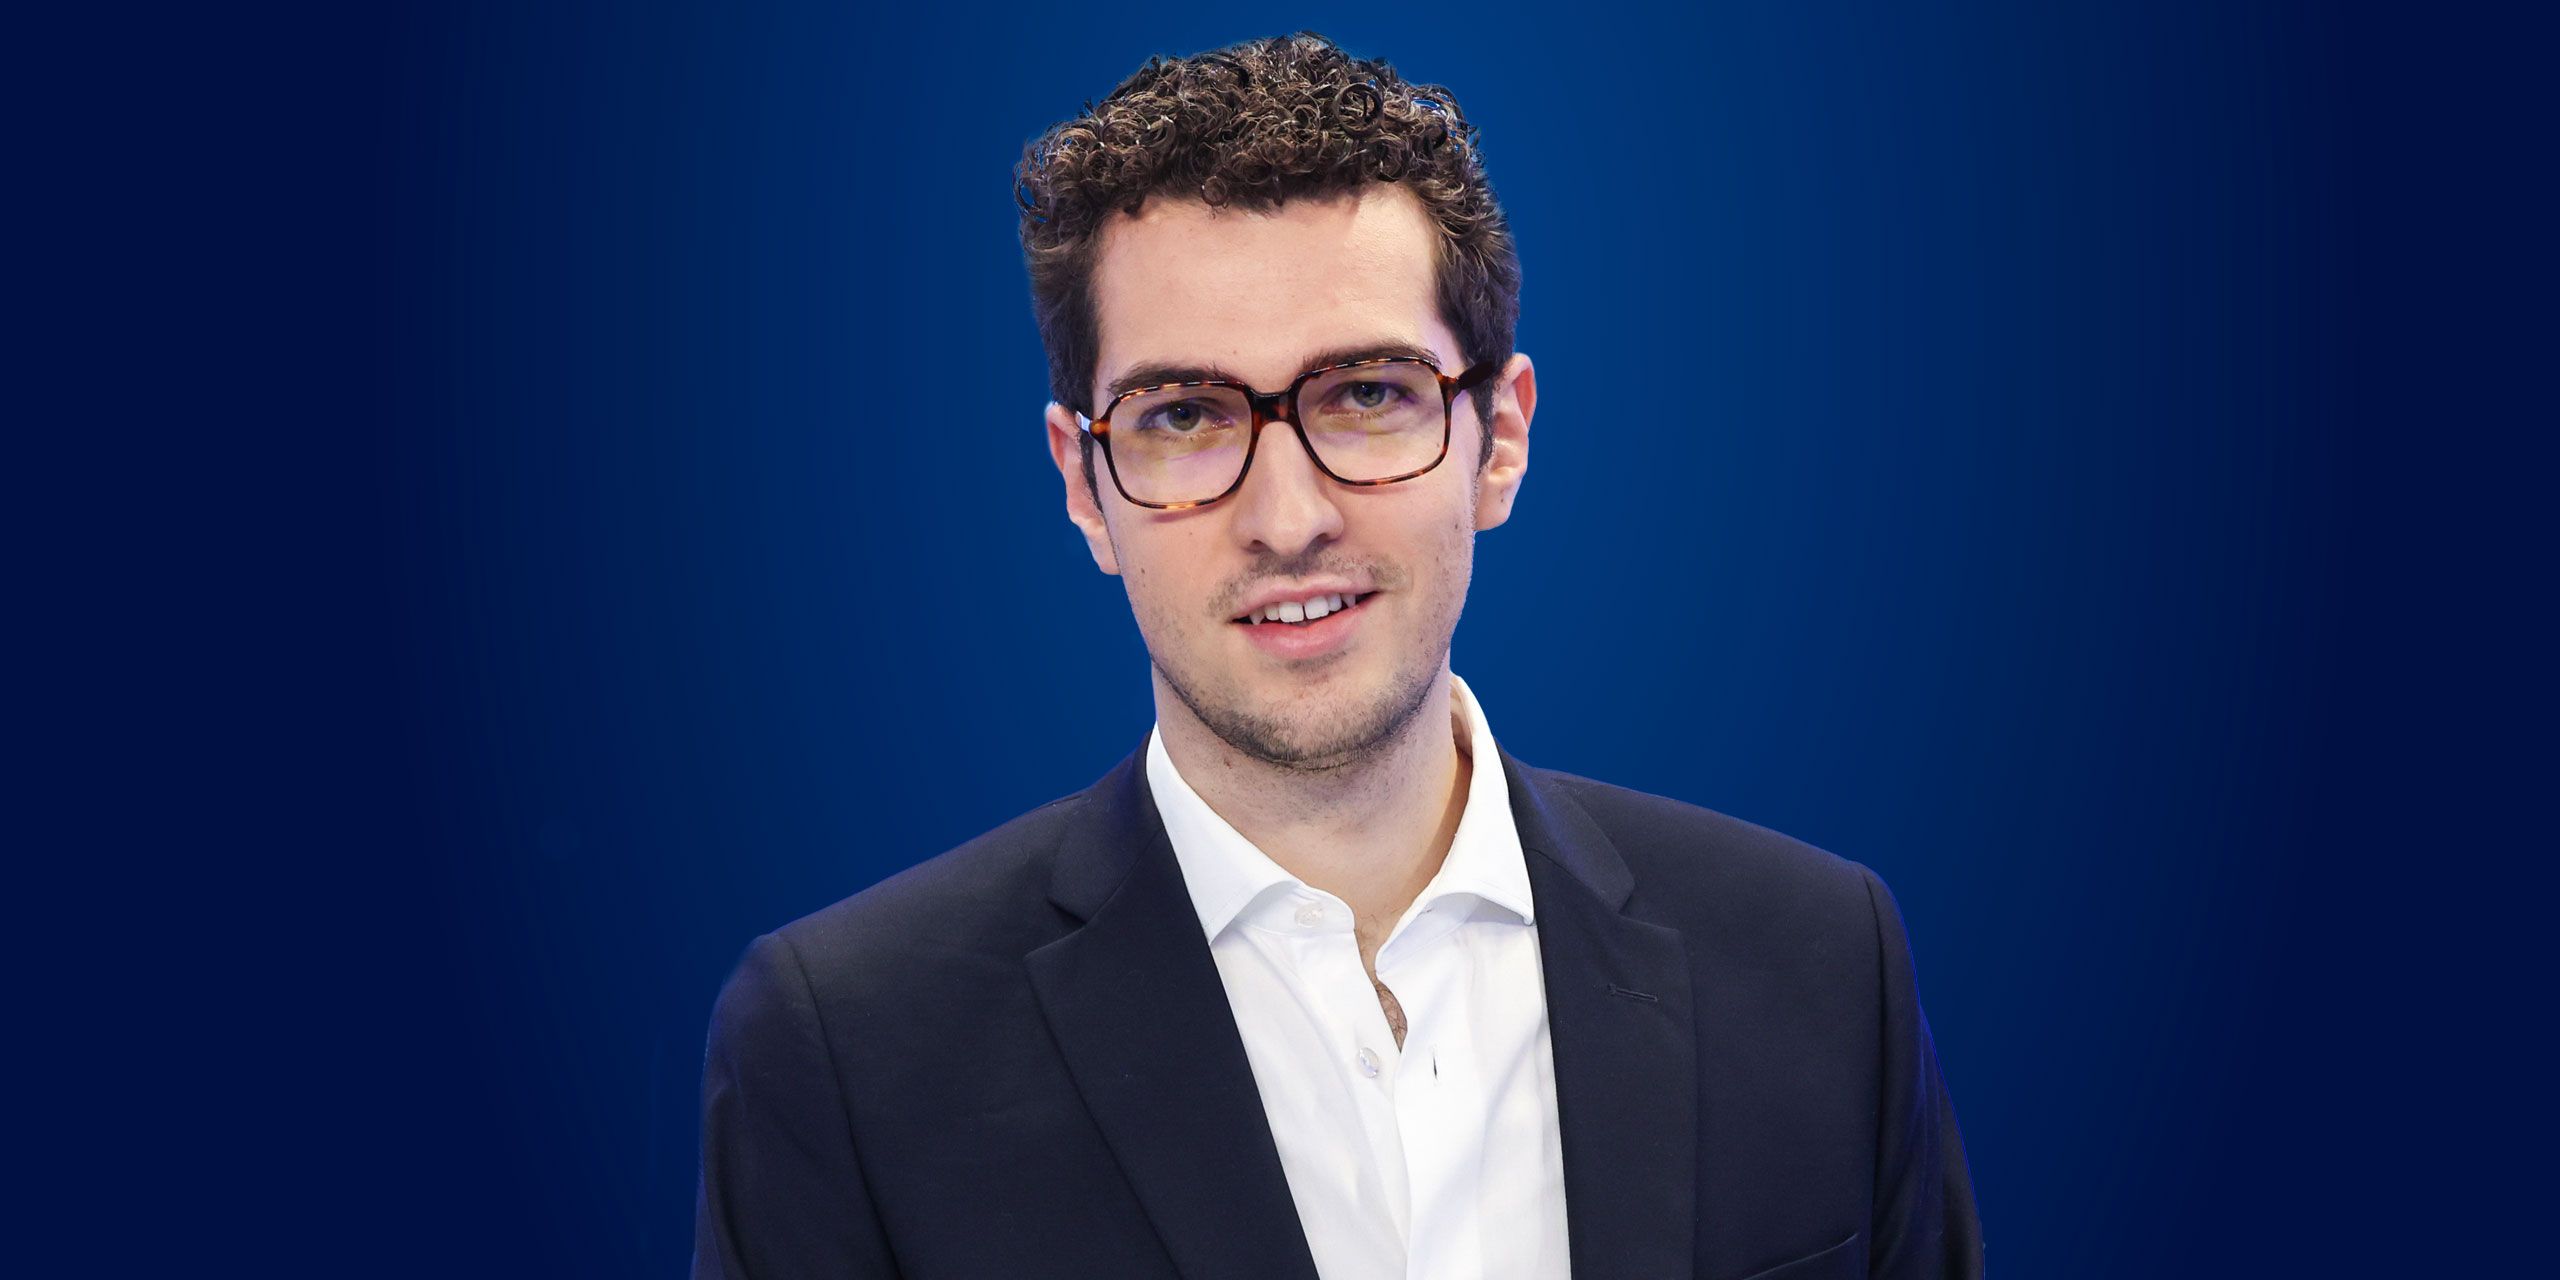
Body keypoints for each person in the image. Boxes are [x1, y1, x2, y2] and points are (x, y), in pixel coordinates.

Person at [693, 32, 1980, 1280]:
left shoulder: (1822, 964)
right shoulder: (847, 1050)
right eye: (1183, 415)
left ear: (1500, 437)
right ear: (1083, 485)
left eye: (1366, 393)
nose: (1288, 516)